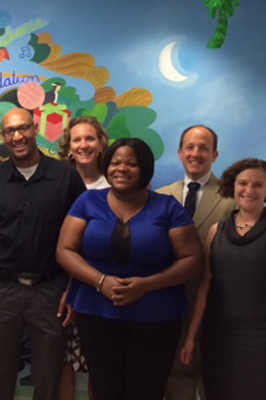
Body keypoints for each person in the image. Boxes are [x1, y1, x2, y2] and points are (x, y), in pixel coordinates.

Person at [56, 138, 204, 400]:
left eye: (131, 164)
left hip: (156, 317)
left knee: (146, 391)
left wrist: (147, 285)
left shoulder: (168, 207)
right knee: (104, 389)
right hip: (96, 312)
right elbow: (65, 251)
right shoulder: (87, 202)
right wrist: (101, 281)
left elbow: (192, 259)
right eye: (115, 163)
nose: (121, 169)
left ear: (145, 169)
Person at [0, 108, 85, 400]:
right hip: (3, 288)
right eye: (10, 131)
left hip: (51, 289)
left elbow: (80, 241)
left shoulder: (67, 178)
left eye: (23, 128)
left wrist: (72, 289)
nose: (17, 136)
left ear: (35, 129)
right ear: (3, 137)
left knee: (49, 372)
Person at [179, 158, 266, 400]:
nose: (249, 190)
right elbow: (205, 287)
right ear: (232, 187)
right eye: (242, 183)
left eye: (258, 185)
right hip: (219, 338)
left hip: (265, 341)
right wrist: (192, 337)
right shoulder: (217, 231)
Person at [156, 124, 237, 400]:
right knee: (177, 375)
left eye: (204, 148)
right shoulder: (160, 197)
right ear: (179, 153)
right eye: (190, 147)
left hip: (217, 303)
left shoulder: (233, 197)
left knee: (217, 376)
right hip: (170, 302)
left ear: (214, 155)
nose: (196, 153)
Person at [55, 116, 112, 400]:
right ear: (68, 146)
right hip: (59, 285)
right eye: (76, 139)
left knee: (99, 363)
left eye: (90, 138)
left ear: (102, 144)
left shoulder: (115, 185)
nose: (83, 145)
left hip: (99, 285)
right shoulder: (57, 182)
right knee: (63, 360)